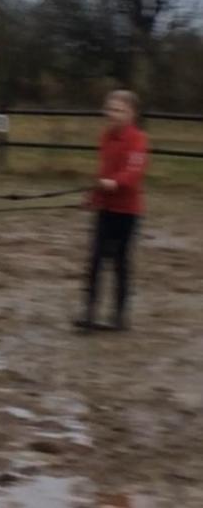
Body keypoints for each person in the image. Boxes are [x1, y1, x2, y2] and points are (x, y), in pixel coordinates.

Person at [73, 89, 148, 332]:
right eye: (110, 109)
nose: (112, 114)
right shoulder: (105, 138)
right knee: (95, 260)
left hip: (127, 213)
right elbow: (103, 170)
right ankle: (89, 312)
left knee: (120, 262)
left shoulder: (138, 140)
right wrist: (93, 195)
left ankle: (119, 316)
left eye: (118, 110)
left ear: (131, 113)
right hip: (105, 209)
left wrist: (115, 183)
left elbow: (134, 172)